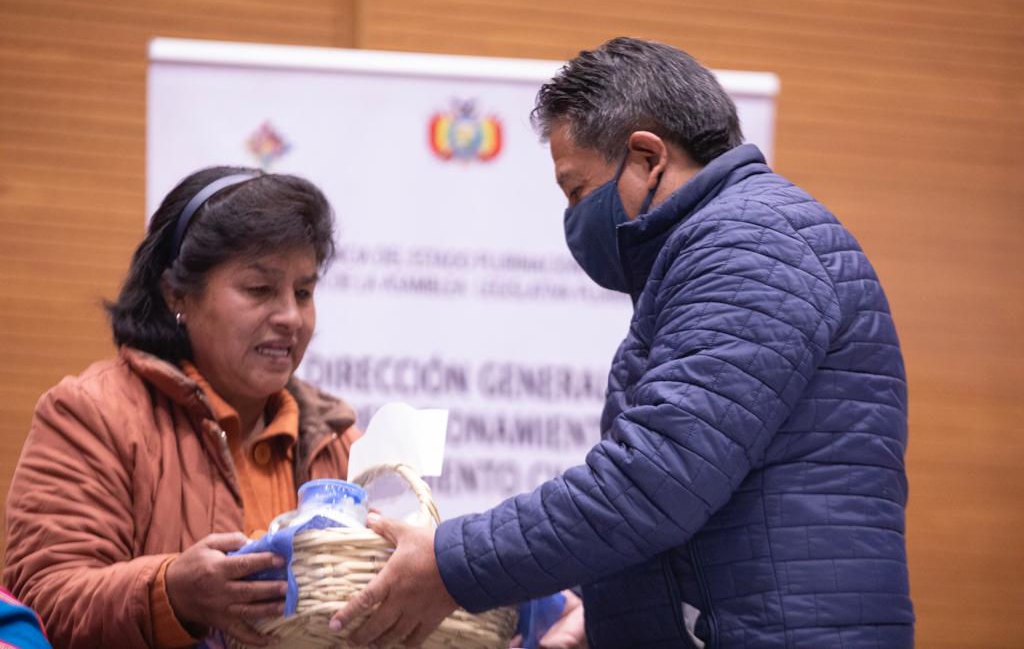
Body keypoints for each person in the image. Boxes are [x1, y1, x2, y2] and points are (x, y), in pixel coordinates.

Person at [329, 37, 914, 648]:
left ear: (647, 158)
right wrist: (606, 611)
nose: (573, 217)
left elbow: (658, 477)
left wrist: (452, 564)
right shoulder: (739, 239)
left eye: (576, 190)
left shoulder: (752, 246)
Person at [3, 167, 362, 649]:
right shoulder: (90, 414)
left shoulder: (337, 439)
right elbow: (39, 604)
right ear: (177, 294)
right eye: (259, 290)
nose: (290, 317)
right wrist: (170, 595)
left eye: (303, 292)